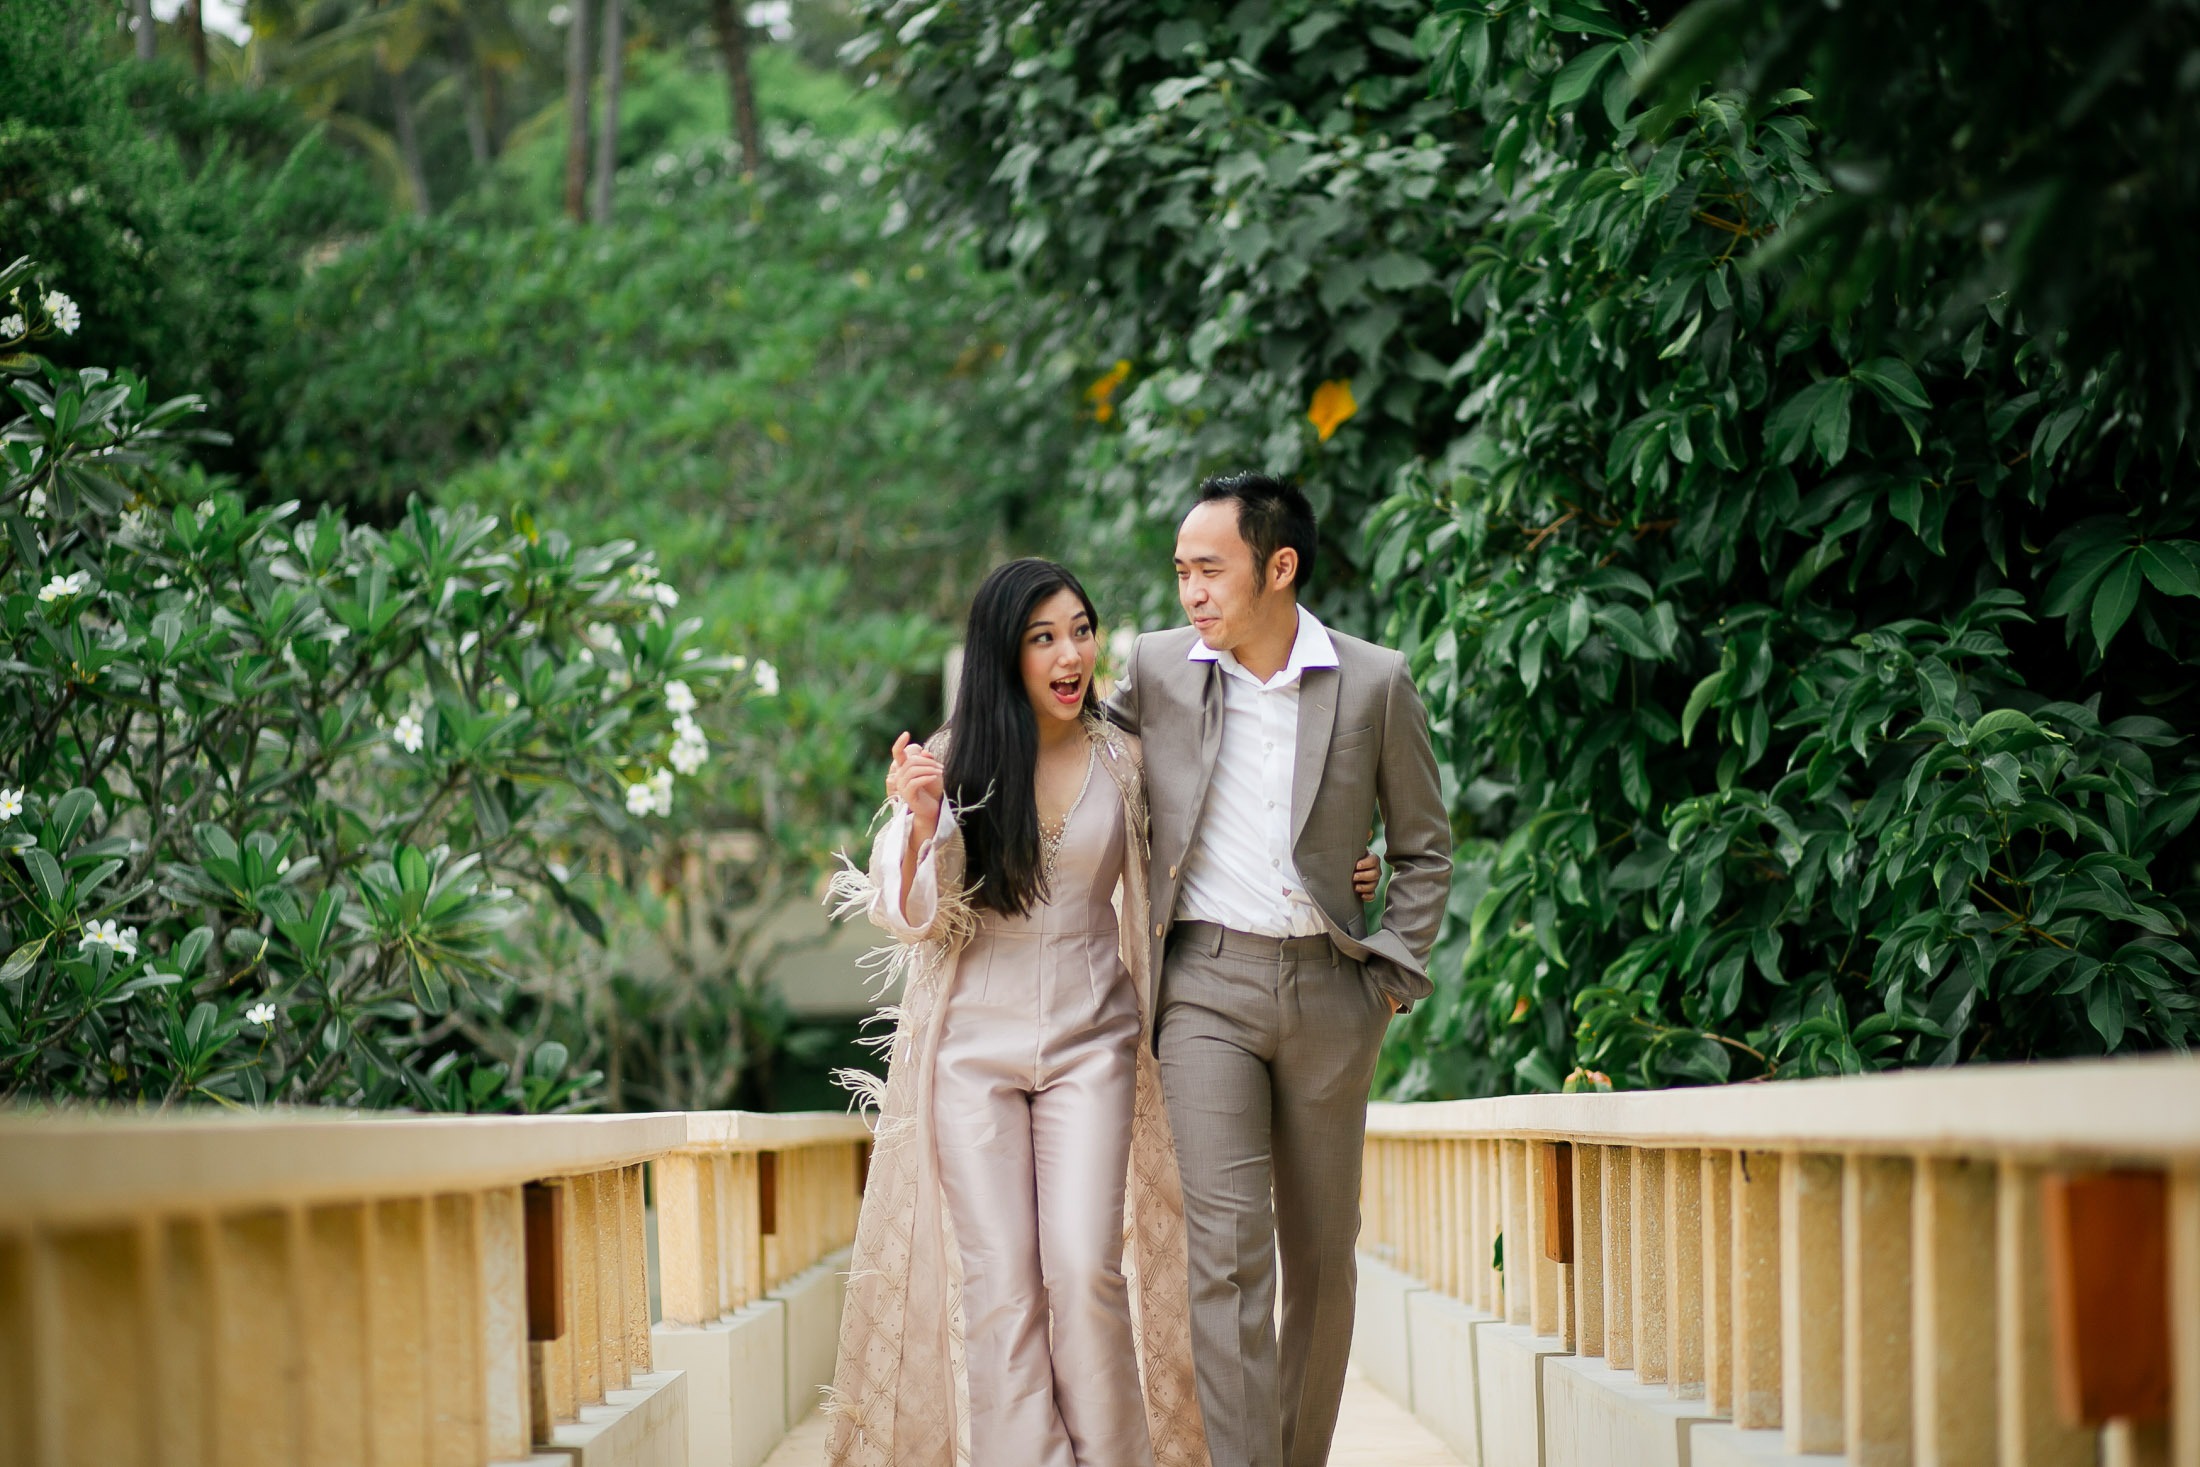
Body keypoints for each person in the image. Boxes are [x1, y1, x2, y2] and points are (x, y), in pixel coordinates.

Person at [823, 558, 1388, 1467]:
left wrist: (1341, 867)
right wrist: (921, 817)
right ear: (1004, 654)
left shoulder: (1124, 756)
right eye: (1043, 637)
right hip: (974, 1056)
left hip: (1095, 1047)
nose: (1069, 653)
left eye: (1080, 630)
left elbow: (1221, 828)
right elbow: (910, 911)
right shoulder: (958, 753)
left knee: (1086, 1272)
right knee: (1002, 1289)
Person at [1102, 474, 1453, 1467]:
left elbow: (1424, 847)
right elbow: (1084, 768)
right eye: (1180, 573)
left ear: (1279, 567)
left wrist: (1391, 971)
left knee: (1320, 1260)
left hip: (1333, 991)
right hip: (1204, 987)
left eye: (1209, 570)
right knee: (1225, 1255)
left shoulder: (1375, 681)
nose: (1190, 594)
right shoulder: (1162, 671)